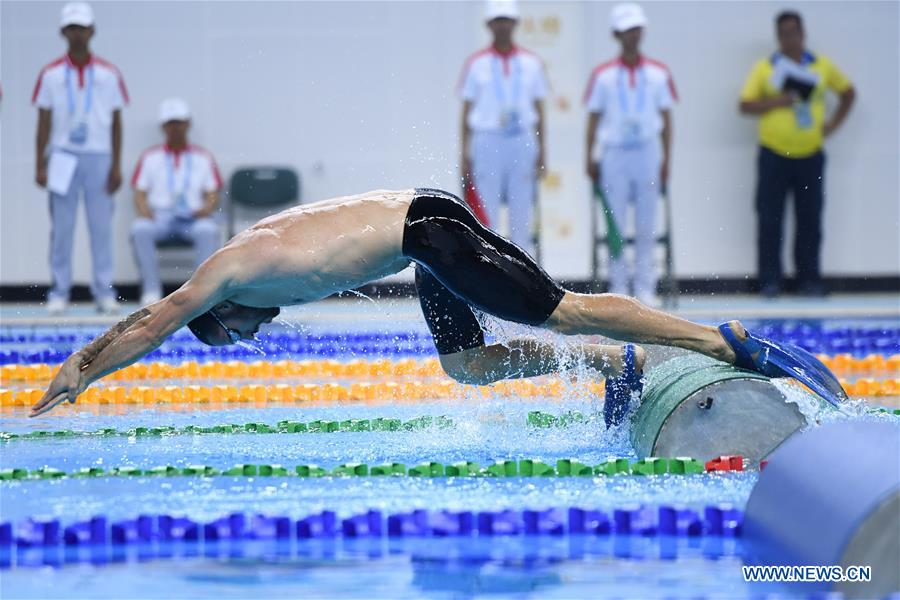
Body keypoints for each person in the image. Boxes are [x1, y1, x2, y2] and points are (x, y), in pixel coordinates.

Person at [31, 188, 847, 420]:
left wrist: (80, 369)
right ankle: (619, 363)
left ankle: (720, 341)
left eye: (229, 337)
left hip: (431, 233)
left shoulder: (225, 279)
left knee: (561, 310)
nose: (246, 337)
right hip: (424, 235)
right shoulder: (259, 265)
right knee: (463, 365)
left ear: (221, 315)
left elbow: (150, 321)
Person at [739, 10, 855, 298]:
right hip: (773, 155)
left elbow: (848, 93)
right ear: (778, 37)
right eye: (783, 33)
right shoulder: (766, 68)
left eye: (794, 32)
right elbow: (745, 105)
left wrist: (832, 125)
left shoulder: (821, 65)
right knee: (770, 219)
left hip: (810, 154)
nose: (789, 38)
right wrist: (779, 101)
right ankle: (770, 281)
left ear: (802, 34)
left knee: (810, 219)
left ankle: (809, 280)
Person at [33, 2, 128, 315]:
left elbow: (115, 121)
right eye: (71, 27)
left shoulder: (109, 73)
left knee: (100, 227)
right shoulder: (50, 74)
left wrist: (116, 164)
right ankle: (59, 291)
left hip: (99, 156)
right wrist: (40, 162)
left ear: (92, 31)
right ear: (63, 32)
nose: (77, 33)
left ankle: (103, 292)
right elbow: (43, 120)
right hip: (62, 156)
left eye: (82, 27)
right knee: (61, 227)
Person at [584, 3, 675, 306]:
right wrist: (589, 156)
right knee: (616, 222)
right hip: (615, 154)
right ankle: (619, 285)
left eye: (636, 29)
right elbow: (593, 119)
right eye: (626, 30)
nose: (632, 35)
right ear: (616, 34)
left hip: (647, 151)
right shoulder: (603, 75)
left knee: (647, 222)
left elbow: (666, 118)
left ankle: (646, 286)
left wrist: (666, 159)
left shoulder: (658, 73)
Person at [459, 0, 547, 254]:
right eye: (498, 20)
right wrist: (464, 152)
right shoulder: (476, 63)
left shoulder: (531, 62)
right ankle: (487, 277)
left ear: (515, 23)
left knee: (522, 213)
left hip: (521, 140)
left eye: (507, 20)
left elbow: (540, 110)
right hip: (487, 141)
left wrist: (543, 149)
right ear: (489, 24)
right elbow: (466, 111)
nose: (503, 26)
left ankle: (524, 279)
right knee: (486, 215)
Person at [130, 98, 223, 305]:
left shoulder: (203, 157)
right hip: (160, 217)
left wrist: (206, 208)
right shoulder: (150, 157)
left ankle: (202, 291)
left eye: (179, 122)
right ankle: (151, 290)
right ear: (163, 126)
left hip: (192, 217)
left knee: (207, 230)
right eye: (171, 123)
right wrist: (145, 211)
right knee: (140, 229)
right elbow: (139, 193)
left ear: (188, 124)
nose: (175, 128)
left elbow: (213, 193)